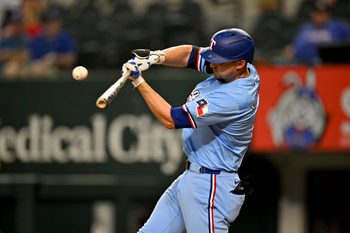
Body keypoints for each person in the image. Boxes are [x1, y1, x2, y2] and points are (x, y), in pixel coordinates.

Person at [121, 28, 260, 233]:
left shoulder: (235, 97)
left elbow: (171, 119)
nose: (212, 64)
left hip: (212, 184)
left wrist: (138, 81)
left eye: (219, 60)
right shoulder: (236, 69)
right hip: (193, 176)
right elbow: (190, 54)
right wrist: (154, 57)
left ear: (240, 64)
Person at [284, 1, 350, 64]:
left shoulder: (337, 26)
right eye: (317, 13)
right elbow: (294, 49)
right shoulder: (305, 29)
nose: (319, 17)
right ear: (312, 15)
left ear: (328, 15)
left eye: (322, 13)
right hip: (307, 64)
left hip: (332, 64)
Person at [27, 8, 76, 77]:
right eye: (50, 23)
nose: (53, 25)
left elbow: (71, 59)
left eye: (56, 22)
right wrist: (45, 62)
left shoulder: (65, 38)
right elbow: (32, 61)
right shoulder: (37, 40)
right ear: (44, 24)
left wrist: (55, 59)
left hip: (60, 73)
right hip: (38, 73)